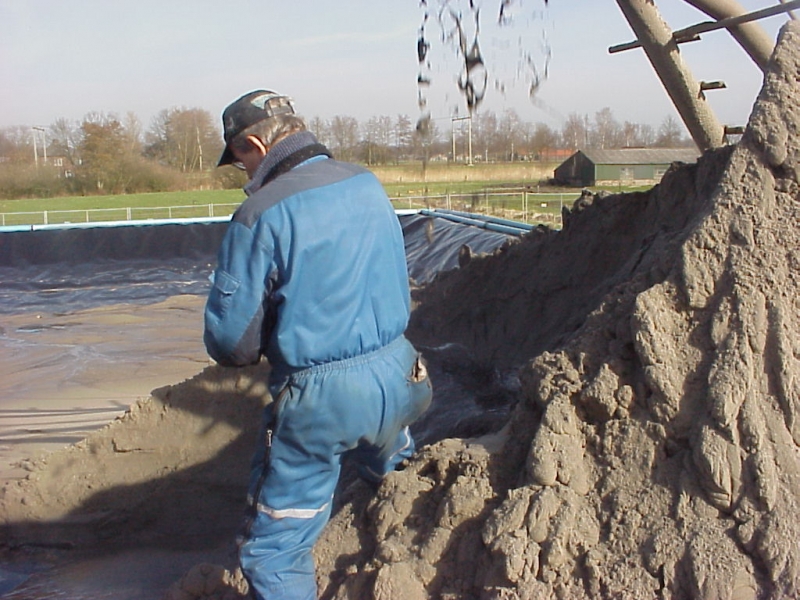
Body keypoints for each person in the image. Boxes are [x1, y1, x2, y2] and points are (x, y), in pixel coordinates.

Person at [204, 90, 433, 600]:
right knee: (393, 474)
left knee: (272, 550)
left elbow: (231, 345)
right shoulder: (365, 182)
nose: (240, 172)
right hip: (403, 376)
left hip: (323, 401)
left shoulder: (259, 214)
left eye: (238, 158)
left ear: (256, 144)